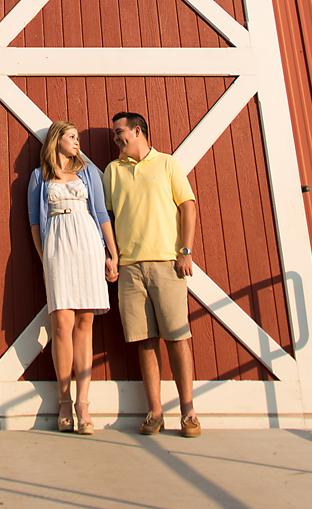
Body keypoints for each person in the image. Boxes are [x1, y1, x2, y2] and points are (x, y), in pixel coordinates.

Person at [103, 110, 200, 438]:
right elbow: (107, 217)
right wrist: (111, 256)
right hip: (130, 269)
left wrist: (185, 251)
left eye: (120, 132)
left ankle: (188, 414)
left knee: (177, 338)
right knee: (144, 342)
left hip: (167, 264)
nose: (116, 138)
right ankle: (155, 412)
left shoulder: (168, 164)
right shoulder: (112, 171)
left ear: (139, 131)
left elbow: (188, 205)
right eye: (114, 133)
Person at [28, 121, 119, 435]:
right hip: (57, 246)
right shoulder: (39, 177)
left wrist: (111, 251)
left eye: (78, 137)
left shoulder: (90, 174)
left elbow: (102, 214)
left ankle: (83, 402)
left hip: (87, 245)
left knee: (85, 322)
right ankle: (64, 400)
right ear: (56, 141)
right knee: (62, 323)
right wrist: (44, 258)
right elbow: (34, 222)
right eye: (71, 137)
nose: (76, 141)